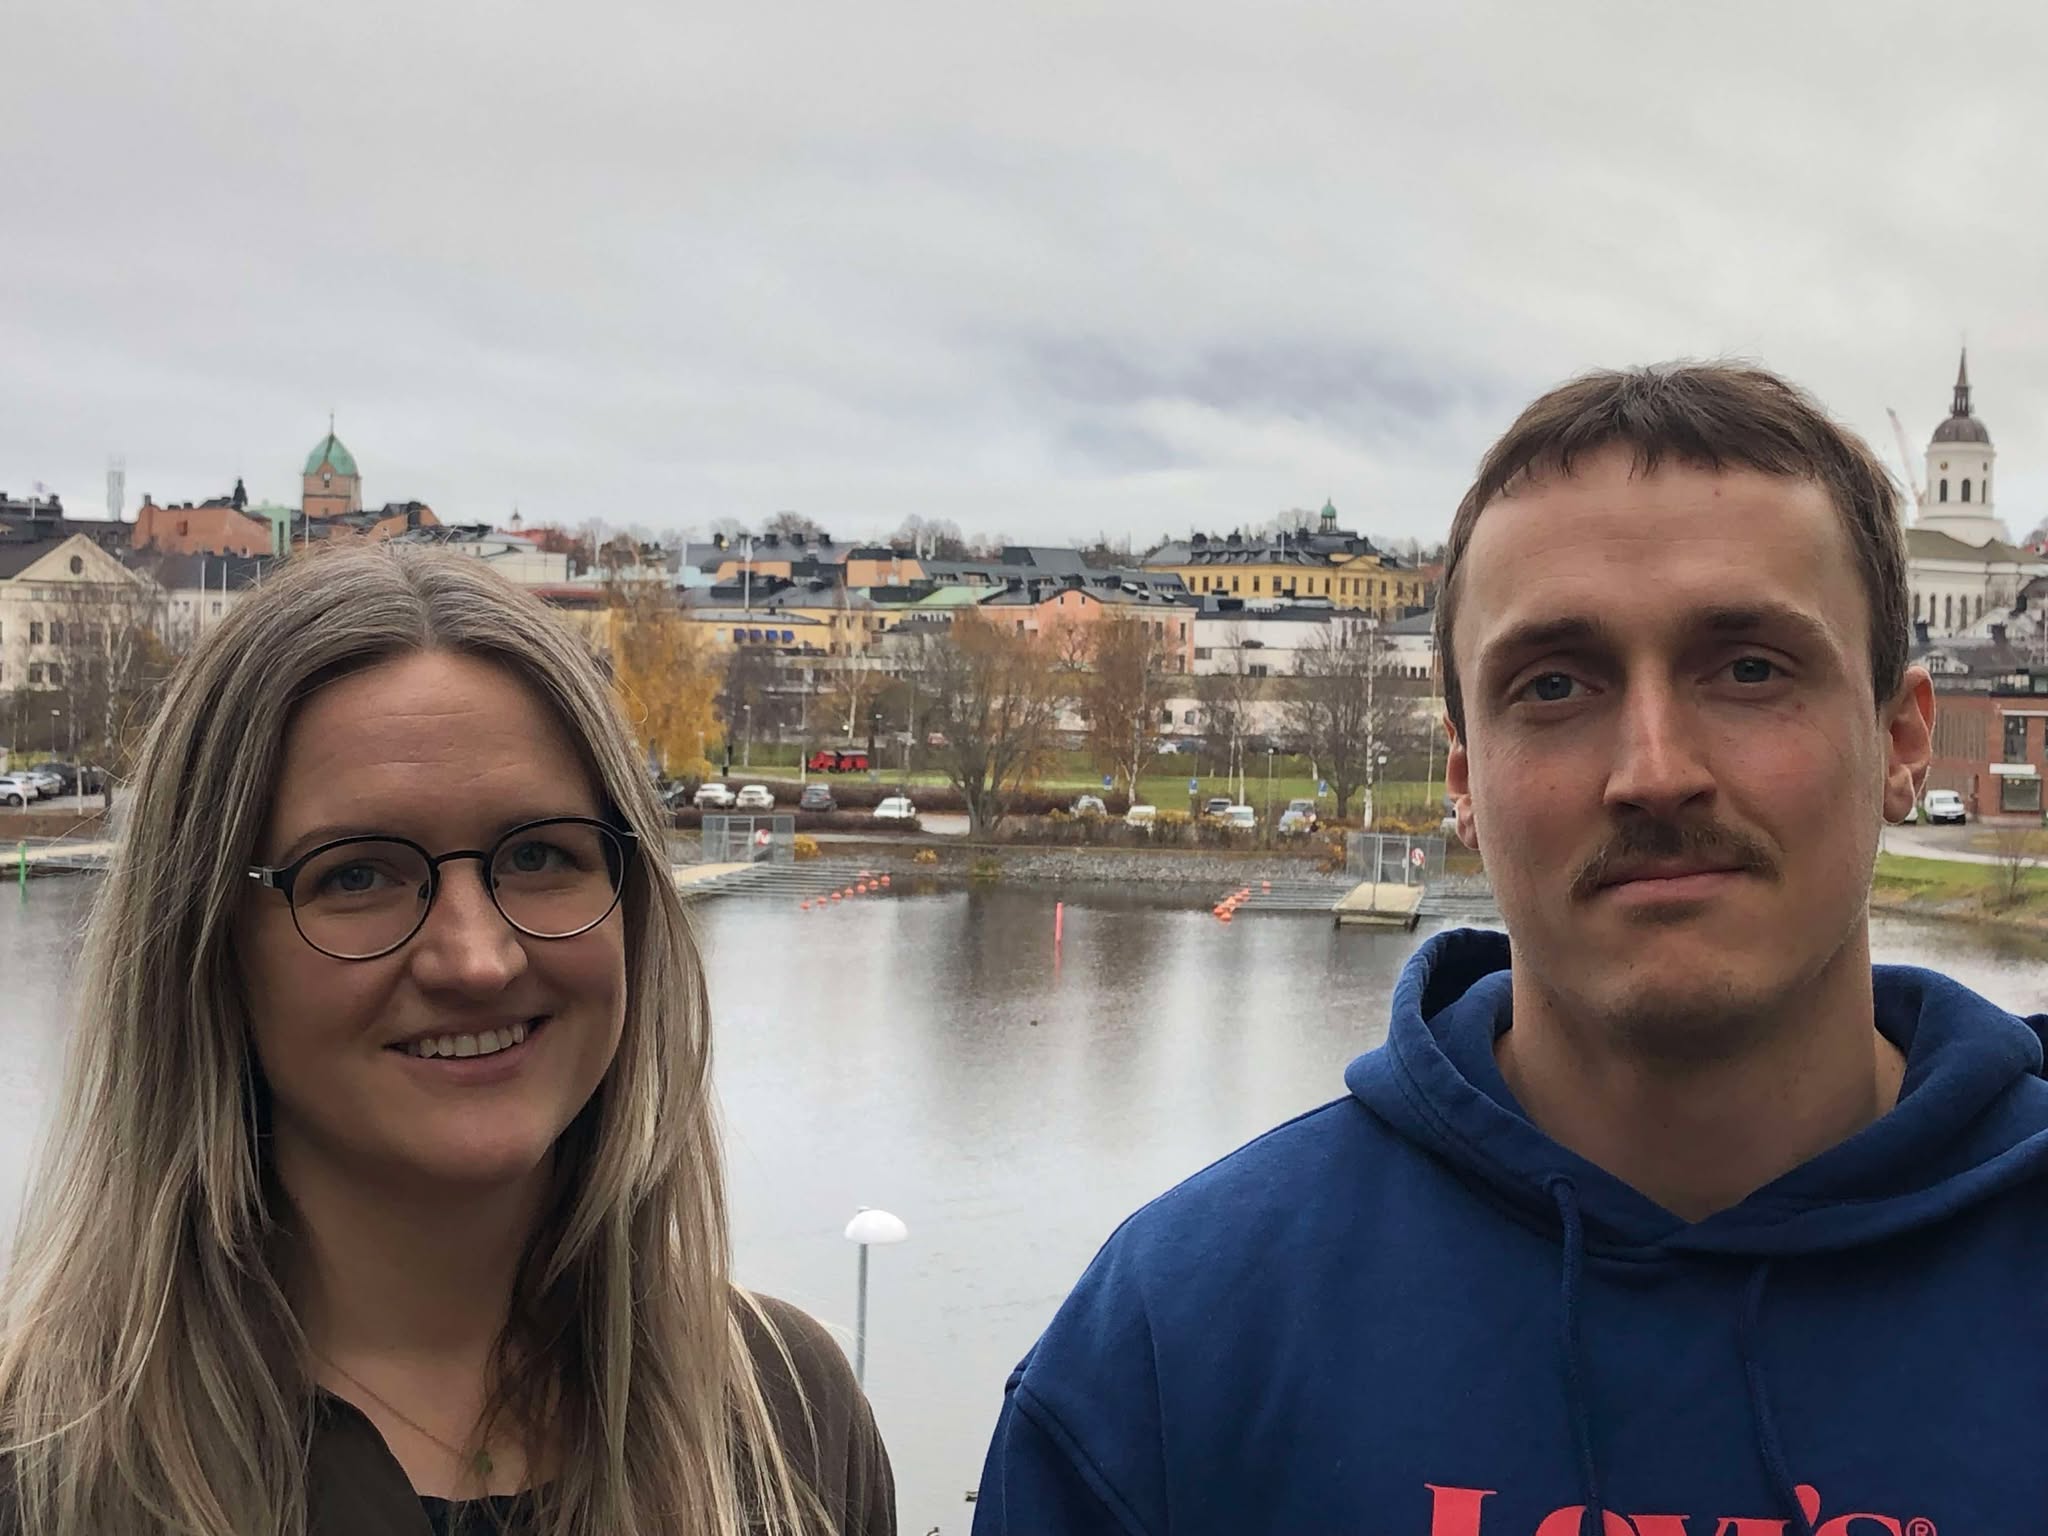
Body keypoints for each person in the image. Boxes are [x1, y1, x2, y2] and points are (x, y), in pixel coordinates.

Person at [972, 363, 2048, 1534]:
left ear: (1899, 738)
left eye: (1748, 669)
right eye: (1551, 685)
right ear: (1462, 782)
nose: (1652, 771)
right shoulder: (1179, 1345)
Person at [0, 545, 895, 1536]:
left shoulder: (787, 1421)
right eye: (355, 875)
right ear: (205, 947)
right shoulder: (36, 1466)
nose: (476, 960)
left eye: (536, 855)